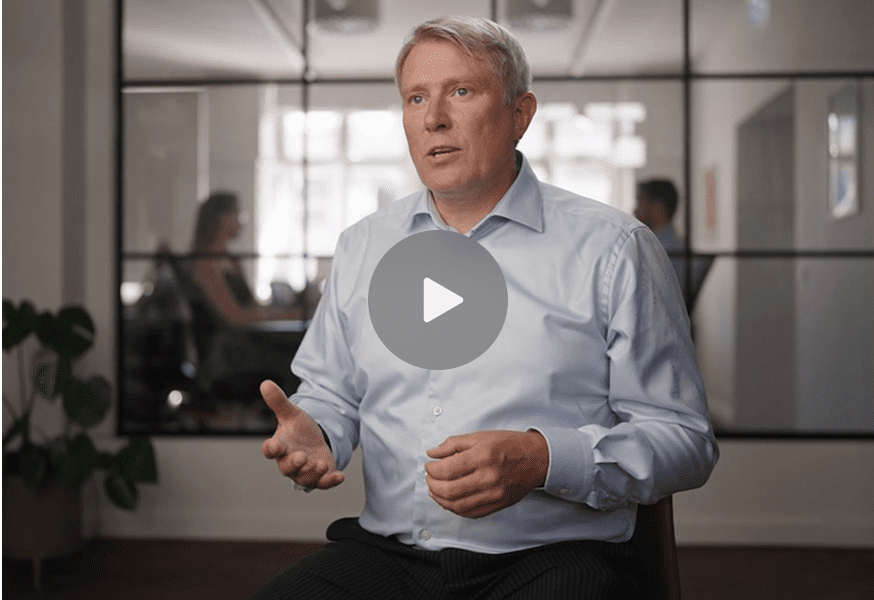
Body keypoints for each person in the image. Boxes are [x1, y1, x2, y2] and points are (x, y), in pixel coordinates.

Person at [253, 16, 718, 600]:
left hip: (552, 557)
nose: (433, 118)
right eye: (416, 98)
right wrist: (319, 431)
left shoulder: (614, 249)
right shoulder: (362, 246)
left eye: (461, 92)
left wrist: (544, 459)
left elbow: (684, 439)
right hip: (390, 555)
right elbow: (332, 394)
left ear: (520, 114)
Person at [190, 191, 302, 325]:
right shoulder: (206, 264)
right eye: (237, 214)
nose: (241, 222)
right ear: (222, 218)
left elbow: (250, 308)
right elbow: (236, 316)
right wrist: (292, 315)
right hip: (234, 337)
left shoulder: (229, 260)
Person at [634, 179, 714, 313]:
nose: (635, 210)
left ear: (657, 208)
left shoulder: (663, 252)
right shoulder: (677, 248)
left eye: (640, 202)